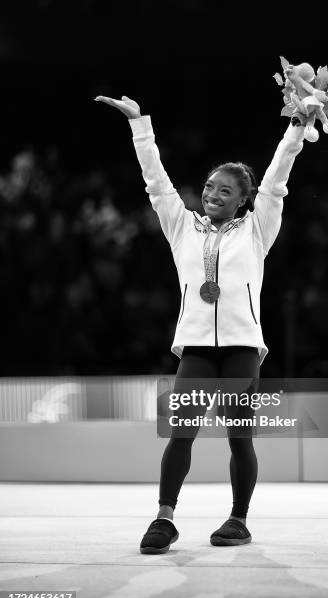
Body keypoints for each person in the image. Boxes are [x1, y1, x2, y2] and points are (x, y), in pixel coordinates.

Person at [95, 86, 305, 554]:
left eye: (225, 191)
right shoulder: (180, 225)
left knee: (239, 438)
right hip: (195, 350)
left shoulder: (257, 229)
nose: (212, 194)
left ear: (242, 202)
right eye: (209, 186)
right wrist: (138, 125)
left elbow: (275, 180)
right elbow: (156, 182)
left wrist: (297, 127)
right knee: (181, 433)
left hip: (241, 350)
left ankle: (238, 519)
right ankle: (164, 518)